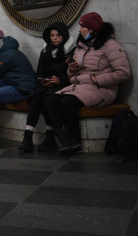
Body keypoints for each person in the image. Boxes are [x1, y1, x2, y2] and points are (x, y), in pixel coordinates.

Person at [47, 12, 131, 156]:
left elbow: (124, 72)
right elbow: (72, 74)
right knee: (50, 99)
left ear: (92, 28)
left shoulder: (110, 45)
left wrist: (96, 79)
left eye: (83, 27)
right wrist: (72, 69)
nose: (80, 30)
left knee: (68, 102)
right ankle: (67, 140)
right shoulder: (82, 46)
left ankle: (75, 141)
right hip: (80, 86)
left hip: (102, 89)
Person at [18, 22, 71, 152]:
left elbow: (72, 74)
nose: (55, 38)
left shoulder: (70, 51)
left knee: (47, 96)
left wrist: (59, 80)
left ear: (64, 36)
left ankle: (50, 136)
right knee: (37, 94)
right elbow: (40, 72)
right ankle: (28, 136)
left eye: (58, 35)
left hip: (64, 85)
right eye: (52, 35)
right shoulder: (45, 50)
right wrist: (43, 80)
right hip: (48, 85)